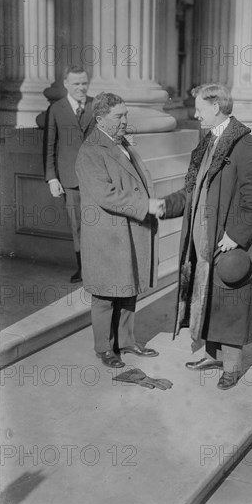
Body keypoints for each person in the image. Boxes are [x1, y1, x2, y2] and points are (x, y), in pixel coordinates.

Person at [162, 83, 252, 390]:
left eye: (199, 108)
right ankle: (214, 355)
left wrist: (236, 236)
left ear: (216, 106)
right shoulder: (209, 141)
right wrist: (165, 205)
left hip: (226, 243)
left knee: (230, 298)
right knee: (208, 298)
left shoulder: (245, 145)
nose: (195, 114)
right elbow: (193, 190)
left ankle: (232, 366)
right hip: (202, 239)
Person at [75, 92, 165, 368]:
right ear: (101, 119)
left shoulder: (121, 143)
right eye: (119, 116)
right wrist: (145, 204)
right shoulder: (90, 151)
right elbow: (106, 195)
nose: (125, 120)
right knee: (105, 294)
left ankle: (126, 342)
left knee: (128, 289)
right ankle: (104, 348)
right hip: (107, 236)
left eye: (126, 114)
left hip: (126, 230)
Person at [44, 65, 95, 283]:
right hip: (69, 178)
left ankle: (98, 266)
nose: (81, 88)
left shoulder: (96, 105)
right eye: (76, 84)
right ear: (65, 84)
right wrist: (52, 177)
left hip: (96, 177)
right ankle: (83, 268)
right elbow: (49, 145)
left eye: (84, 83)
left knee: (98, 223)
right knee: (77, 225)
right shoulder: (56, 109)